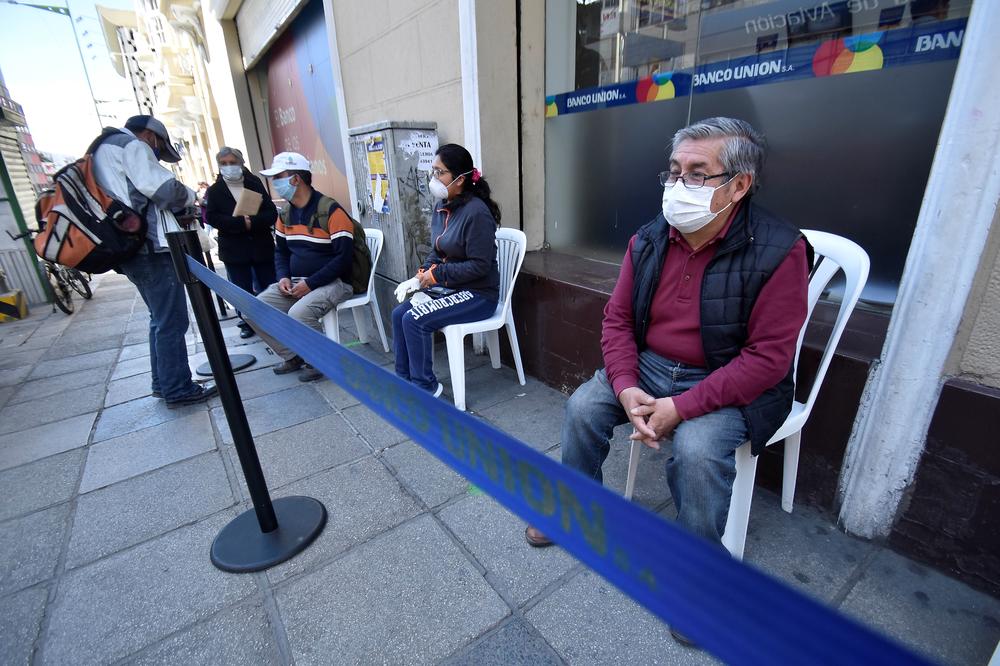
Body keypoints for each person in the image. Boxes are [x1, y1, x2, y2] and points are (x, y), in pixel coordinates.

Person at [525, 118, 810, 630]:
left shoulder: (778, 249)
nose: (680, 187)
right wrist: (627, 386)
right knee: (584, 407)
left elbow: (768, 358)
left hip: (726, 379)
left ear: (739, 184)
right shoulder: (651, 239)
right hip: (650, 368)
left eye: (698, 174)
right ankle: (576, 509)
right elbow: (616, 320)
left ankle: (699, 577)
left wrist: (682, 407)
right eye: (675, 172)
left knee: (697, 452)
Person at [92, 115, 218, 406]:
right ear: (151, 135)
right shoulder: (131, 146)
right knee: (172, 321)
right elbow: (163, 190)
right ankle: (177, 387)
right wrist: (189, 195)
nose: (156, 155)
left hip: (129, 250)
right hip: (151, 248)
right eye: (159, 148)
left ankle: (163, 382)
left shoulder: (101, 149)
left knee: (158, 320)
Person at [248, 151, 371, 382]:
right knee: (253, 309)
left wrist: (310, 283)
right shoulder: (285, 214)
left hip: (336, 282)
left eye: (279, 177)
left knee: (299, 313)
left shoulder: (331, 211)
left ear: (295, 179)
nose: (275, 183)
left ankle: (321, 361)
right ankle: (293, 355)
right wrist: (283, 277)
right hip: (297, 282)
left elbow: (343, 260)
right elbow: (281, 252)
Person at [391, 143, 501, 396]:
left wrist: (436, 275)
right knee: (399, 314)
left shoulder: (477, 213)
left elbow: (480, 266)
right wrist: (421, 275)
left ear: (460, 179)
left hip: (478, 294)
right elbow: (437, 251)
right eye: (433, 172)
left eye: (440, 172)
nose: (434, 178)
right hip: (450, 288)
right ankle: (404, 380)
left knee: (415, 320)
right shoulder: (443, 207)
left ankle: (426, 388)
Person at [204, 147, 278, 339]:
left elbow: (270, 212)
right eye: (224, 164)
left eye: (232, 162)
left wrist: (251, 222)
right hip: (234, 249)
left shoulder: (254, 184)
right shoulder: (215, 190)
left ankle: (274, 322)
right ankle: (248, 322)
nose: (229, 167)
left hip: (261, 245)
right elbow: (211, 217)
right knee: (240, 290)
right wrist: (239, 223)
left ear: (241, 163)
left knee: (270, 286)